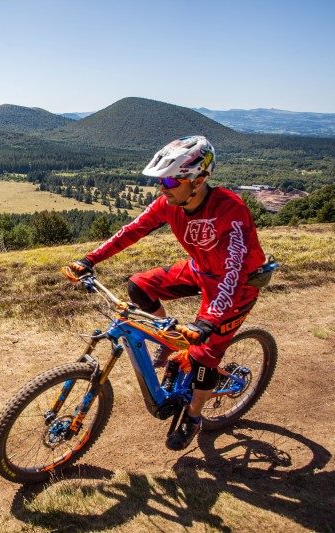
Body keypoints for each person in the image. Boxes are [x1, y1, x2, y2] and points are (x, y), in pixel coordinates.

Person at [67, 135, 268, 451]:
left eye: (171, 180)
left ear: (199, 179)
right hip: (200, 269)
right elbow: (132, 230)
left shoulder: (230, 210)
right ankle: (173, 342)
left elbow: (233, 272)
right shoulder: (168, 203)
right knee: (139, 286)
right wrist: (89, 259)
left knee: (203, 356)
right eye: (161, 180)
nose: (163, 187)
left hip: (237, 287)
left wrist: (207, 323)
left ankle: (193, 415)